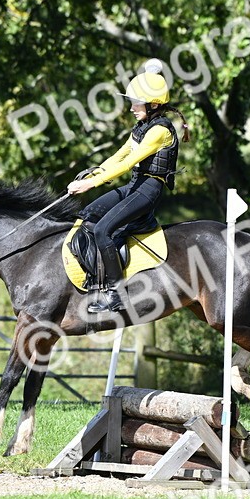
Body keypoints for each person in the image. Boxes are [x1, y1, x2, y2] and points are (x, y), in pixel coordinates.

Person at [65, 59, 191, 313]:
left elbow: (131, 162)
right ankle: (95, 277)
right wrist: (94, 172)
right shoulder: (142, 127)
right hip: (135, 185)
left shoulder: (160, 131)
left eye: (136, 102)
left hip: (148, 190)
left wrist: (93, 183)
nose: (132, 107)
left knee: (102, 231)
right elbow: (120, 155)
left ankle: (116, 292)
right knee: (88, 214)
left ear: (153, 104)